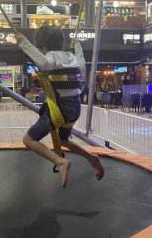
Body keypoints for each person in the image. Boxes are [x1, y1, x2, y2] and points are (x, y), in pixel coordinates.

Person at [15, 25, 104, 188]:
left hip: (61, 109)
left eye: (38, 48)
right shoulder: (70, 56)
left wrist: (24, 43)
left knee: (28, 140)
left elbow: (43, 62)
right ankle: (92, 157)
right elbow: (83, 65)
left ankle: (60, 162)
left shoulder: (51, 56)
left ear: (42, 46)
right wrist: (77, 45)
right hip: (76, 107)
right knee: (64, 140)